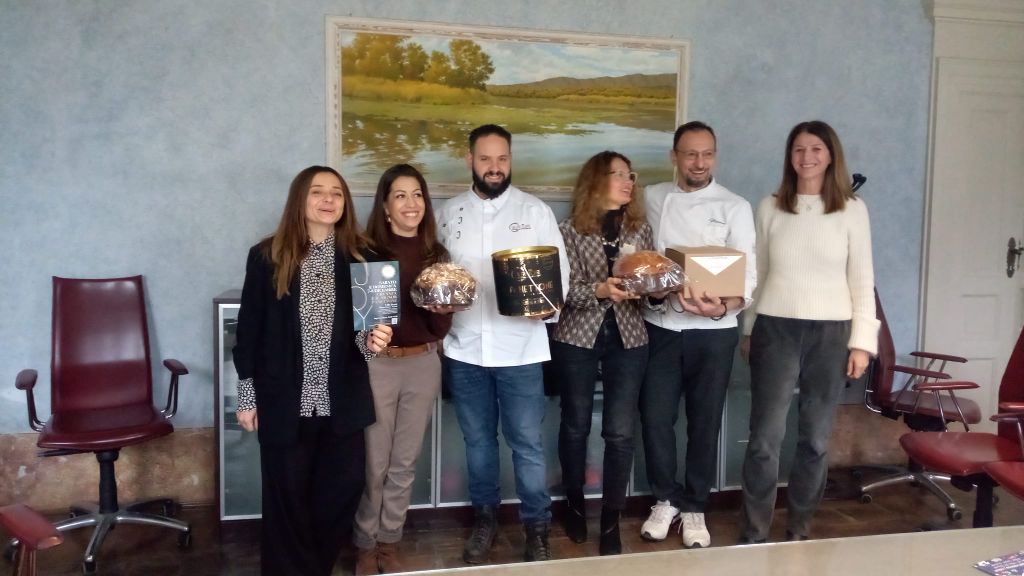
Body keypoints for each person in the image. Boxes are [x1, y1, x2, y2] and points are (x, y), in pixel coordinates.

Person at [233, 166, 393, 576]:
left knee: (341, 492)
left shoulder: (365, 258)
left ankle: (314, 568)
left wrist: (375, 341)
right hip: (284, 400)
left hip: (342, 401)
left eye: (336, 193)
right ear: (299, 200)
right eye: (317, 192)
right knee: (287, 502)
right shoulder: (266, 256)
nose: (328, 200)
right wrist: (247, 396)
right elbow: (249, 331)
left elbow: (366, 339)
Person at [436, 124, 570, 564]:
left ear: (510, 160)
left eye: (502, 159)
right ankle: (485, 520)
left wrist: (547, 308)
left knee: (527, 443)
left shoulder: (535, 211)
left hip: (521, 350)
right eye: (485, 159)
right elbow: (437, 278)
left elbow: (560, 276)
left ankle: (537, 527)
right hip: (464, 348)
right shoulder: (448, 214)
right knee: (478, 442)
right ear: (469, 160)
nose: (494, 168)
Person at [739, 120, 877, 543]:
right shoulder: (770, 206)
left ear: (831, 155)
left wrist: (862, 343)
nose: (807, 157)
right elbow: (758, 273)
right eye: (798, 149)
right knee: (764, 439)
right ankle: (754, 531)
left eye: (816, 148)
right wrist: (749, 329)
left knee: (815, 439)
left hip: (831, 335)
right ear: (790, 157)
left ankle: (798, 527)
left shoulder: (852, 209)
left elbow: (862, 279)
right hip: (775, 329)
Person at [639, 121, 756, 548]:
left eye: (707, 154)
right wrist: (652, 290)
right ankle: (665, 499)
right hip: (661, 328)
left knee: (704, 423)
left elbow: (749, 272)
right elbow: (639, 254)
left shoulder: (735, 206)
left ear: (715, 156)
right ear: (675, 157)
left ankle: (694, 506)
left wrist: (723, 307)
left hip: (714, 332)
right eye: (690, 154)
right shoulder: (652, 197)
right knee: (655, 419)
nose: (699, 162)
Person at [550, 151, 653, 555]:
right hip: (577, 337)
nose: (628, 182)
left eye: (631, 175)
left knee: (620, 432)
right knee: (575, 425)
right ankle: (574, 503)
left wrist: (657, 290)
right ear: (596, 181)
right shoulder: (568, 230)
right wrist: (600, 289)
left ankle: (611, 518)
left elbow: (651, 287)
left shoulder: (640, 230)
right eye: (618, 174)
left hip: (629, 338)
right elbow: (561, 290)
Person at [353, 164, 453, 575]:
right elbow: (355, 321)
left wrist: (443, 310)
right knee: (373, 462)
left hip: (423, 363)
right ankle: (364, 543)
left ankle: (389, 541)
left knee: (404, 462)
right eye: (400, 195)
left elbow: (440, 328)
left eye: (417, 195)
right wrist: (366, 336)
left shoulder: (437, 256)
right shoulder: (365, 253)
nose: (411, 204)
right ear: (385, 205)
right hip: (379, 365)